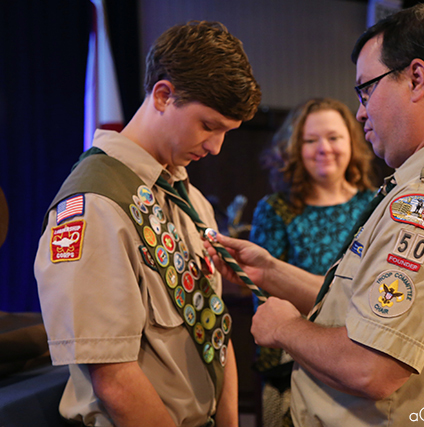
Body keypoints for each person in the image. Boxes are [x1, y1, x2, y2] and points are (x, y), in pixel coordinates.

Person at [207, 4, 424, 427]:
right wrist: (271, 271)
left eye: (366, 90)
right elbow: (363, 304)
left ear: (417, 78)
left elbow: (372, 368)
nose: (361, 112)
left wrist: (284, 329)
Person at [34, 21, 261, 427]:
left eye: (226, 132)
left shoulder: (189, 199)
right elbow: (114, 378)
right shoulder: (97, 203)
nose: (216, 147)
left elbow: (215, 332)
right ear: (162, 95)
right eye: (208, 125)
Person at [249, 98, 376, 426]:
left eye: (334, 138)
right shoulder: (274, 209)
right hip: (289, 366)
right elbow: (264, 296)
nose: (324, 148)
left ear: (351, 143)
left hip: (359, 357)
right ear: (295, 148)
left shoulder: (376, 205)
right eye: (310, 140)